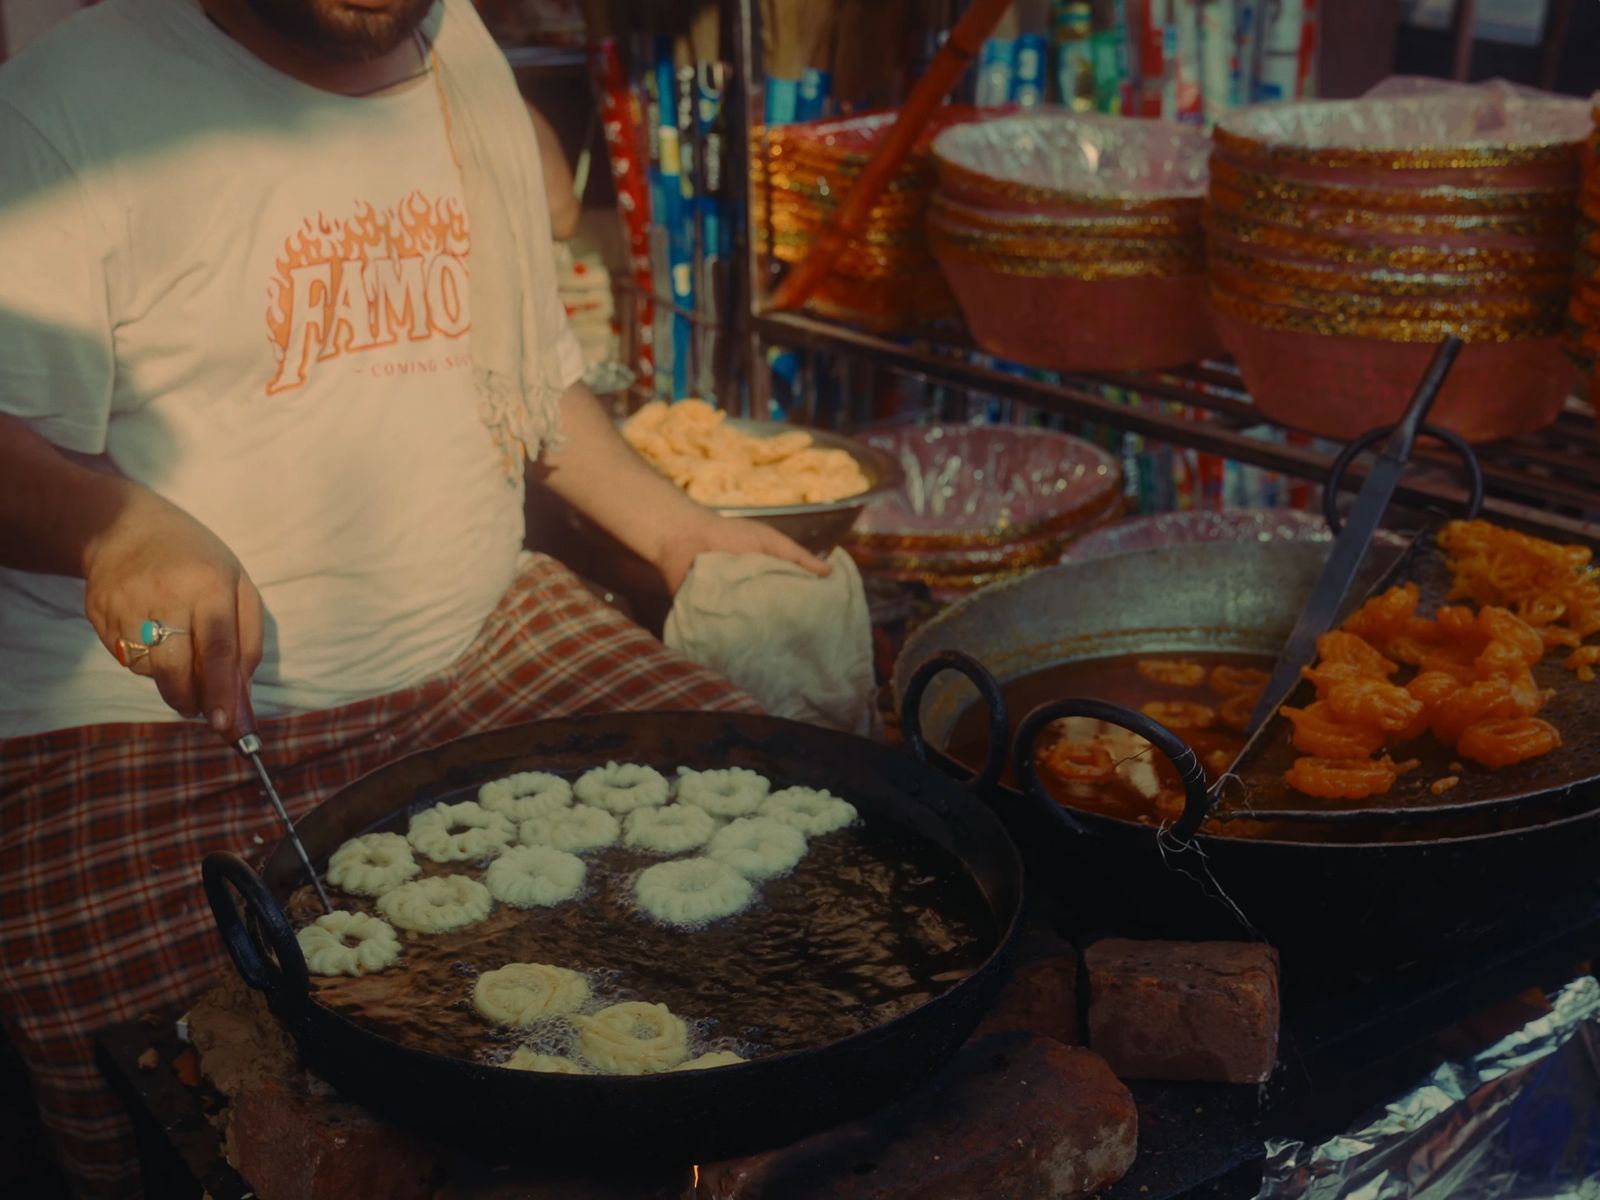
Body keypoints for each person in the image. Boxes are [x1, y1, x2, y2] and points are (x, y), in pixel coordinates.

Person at [0, 0, 825, 1194]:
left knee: (787, 882)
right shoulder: (69, 110)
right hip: (152, 728)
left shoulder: (455, 48)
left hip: (497, 648)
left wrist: (680, 531)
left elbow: (529, 375)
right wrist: (113, 527)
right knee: (225, 1096)